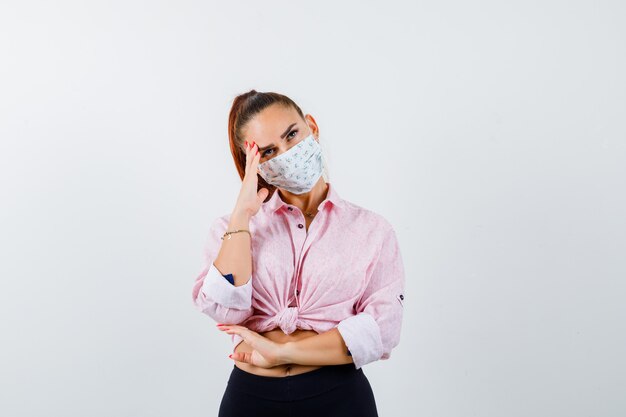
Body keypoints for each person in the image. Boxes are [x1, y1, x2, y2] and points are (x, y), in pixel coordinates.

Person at [191, 89, 406, 417]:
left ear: (312, 127)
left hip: (338, 397)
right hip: (251, 399)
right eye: (268, 151)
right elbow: (225, 310)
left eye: (292, 134)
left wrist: (285, 352)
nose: (288, 153)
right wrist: (242, 215)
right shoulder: (232, 228)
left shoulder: (372, 230)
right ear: (257, 165)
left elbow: (382, 329)